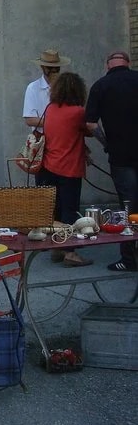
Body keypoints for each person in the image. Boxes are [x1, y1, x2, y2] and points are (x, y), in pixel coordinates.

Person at [86, 51, 138, 271]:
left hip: (121, 155)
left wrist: (107, 143)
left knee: (128, 205)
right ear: (128, 63)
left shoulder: (101, 86)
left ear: (108, 65)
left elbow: (90, 124)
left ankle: (129, 259)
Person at [40, 73, 94, 267]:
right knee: (69, 212)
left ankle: (57, 248)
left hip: (48, 167)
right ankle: (70, 252)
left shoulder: (50, 108)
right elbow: (89, 130)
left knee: (56, 211)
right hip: (69, 167)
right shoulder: (78, 111)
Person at [24, 49, 70, 130]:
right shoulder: (33, 88)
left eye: (56, 67)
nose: (53, 70)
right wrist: (57, 122)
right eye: (49, 67)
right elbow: (30, 120)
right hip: (43, 139)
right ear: (42, 67)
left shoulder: (67, 87)